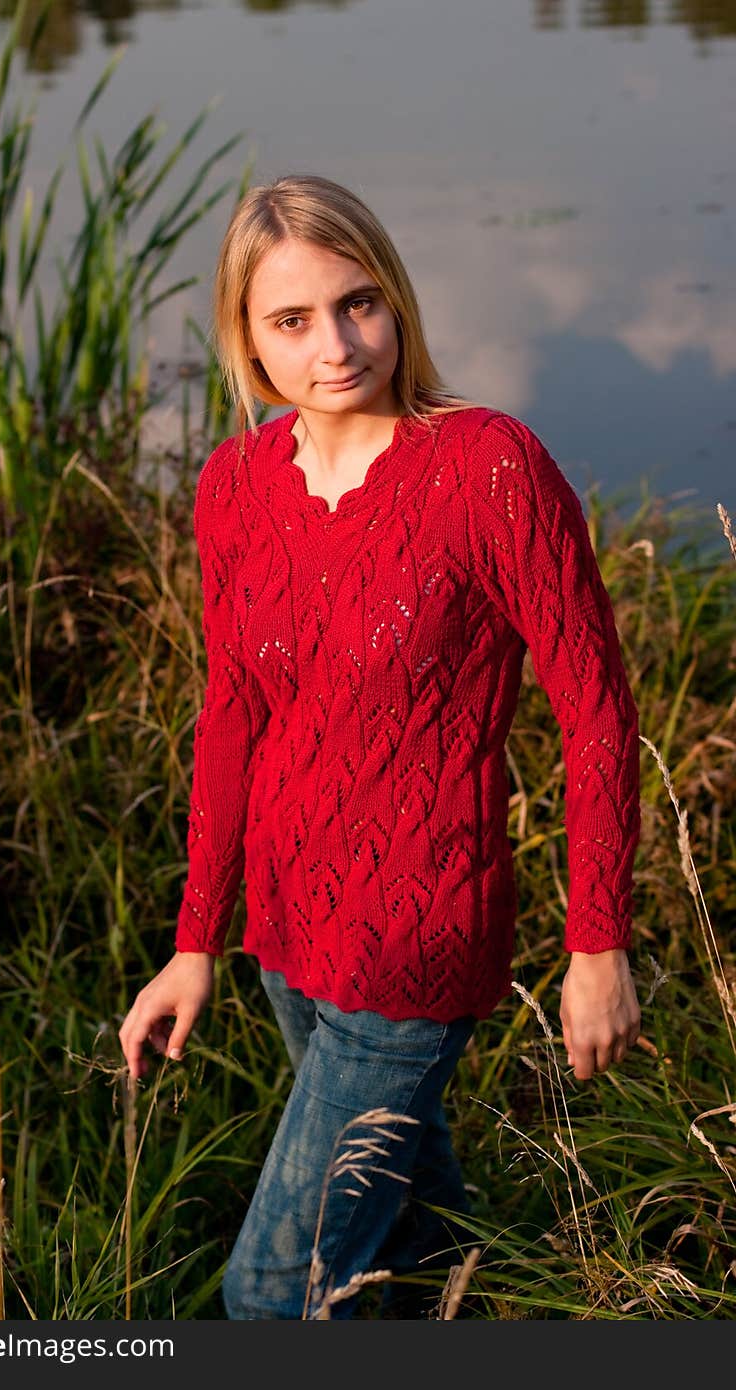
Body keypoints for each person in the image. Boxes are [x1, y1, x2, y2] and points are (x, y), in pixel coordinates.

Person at [118, 173, 642, 1320]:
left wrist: (597, 941)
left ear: (397, 299)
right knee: (412, 1228)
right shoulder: (235, 486)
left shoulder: (487, 468)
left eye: (358, 303)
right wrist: (195, 938)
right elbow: (231, 715)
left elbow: (595, 706)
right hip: (285, 927)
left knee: (270, 1294)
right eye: (292, 320)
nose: (337, 345)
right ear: (248, 340)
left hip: (415, 938)